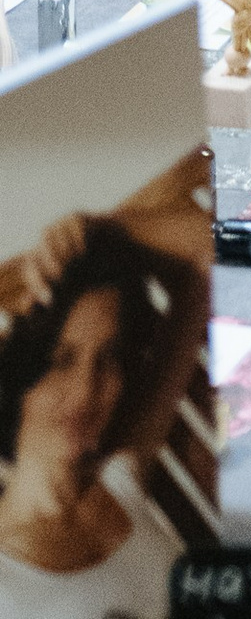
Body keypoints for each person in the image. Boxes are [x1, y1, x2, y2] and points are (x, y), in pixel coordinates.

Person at [0, 217, 197, 610]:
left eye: (108, 358)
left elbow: (203, 259)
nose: (87, 390)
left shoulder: (120, 468)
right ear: (22, 375)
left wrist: (102, 229)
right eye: (62, 360)